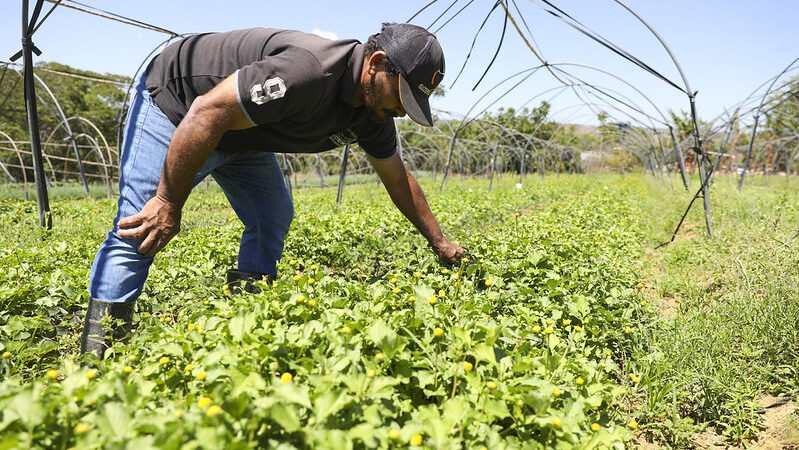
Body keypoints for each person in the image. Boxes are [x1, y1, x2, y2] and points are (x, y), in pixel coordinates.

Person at [80, 23, 466, 358]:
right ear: (377, 63)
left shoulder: (373, 113)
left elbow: (398, 179)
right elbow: (207, 111)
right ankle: (97, 359)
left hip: (237, 131)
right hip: (181, 107)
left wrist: (440, 242)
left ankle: (246, 322)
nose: (401, 111)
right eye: (401, 95)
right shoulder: (309, 71)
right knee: (140, 227)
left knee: (271, 214)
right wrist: (167, 202)